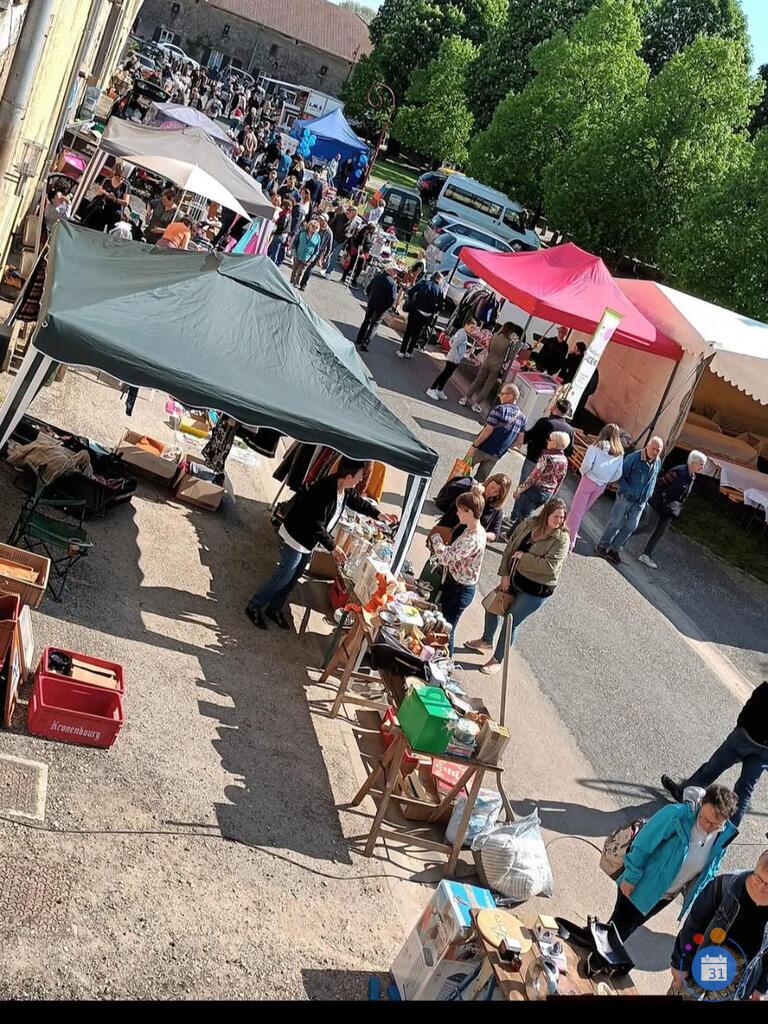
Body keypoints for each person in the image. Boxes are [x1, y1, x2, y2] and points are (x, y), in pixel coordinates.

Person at [245, 457, 381, 630]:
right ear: (348, 476)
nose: (361, 479)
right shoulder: (324, 490)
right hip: (297, 535)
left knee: (294, 577)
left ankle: (274, 608)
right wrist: (333, 547)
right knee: (284, 575)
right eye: (359, 476)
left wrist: (378, 515)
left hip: (308, 541)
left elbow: (357, 502)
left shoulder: (344, 490)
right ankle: (254, 606)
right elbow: (316, 524)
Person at [606, 784, 738, 944]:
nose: (706, 826)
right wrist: (631, 877)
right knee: (616, 932)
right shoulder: (676, 815)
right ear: (702, 804)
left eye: (714, 824)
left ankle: (595, 956)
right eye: (704, 817)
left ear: (724, 821)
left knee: (624, 931)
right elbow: (643, 844)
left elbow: (709, 870)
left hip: (663, 896)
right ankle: (595, 961)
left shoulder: (721, 838)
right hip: (640, 885)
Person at [467, 497, 569, 674]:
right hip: (514, 578)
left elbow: (551, 567)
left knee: (510, 621)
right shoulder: (530, 524)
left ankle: (497, 660)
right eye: (556, 516)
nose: (559, 521)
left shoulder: (561, 539)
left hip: (535, 591)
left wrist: (524, 557)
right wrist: (505, 574)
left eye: (562, 517)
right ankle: (486, 640)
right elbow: (511, 547)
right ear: (546, 514)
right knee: (492, 606)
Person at [662, 681, 768, 828]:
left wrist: (741, 723)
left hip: (746, 736)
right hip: (765, 750)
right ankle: (727, 832)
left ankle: (685, 795)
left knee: (714, 767)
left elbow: (756, 700)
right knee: (745, 790)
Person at [670, 850, 768, 1001]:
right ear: (755, 868)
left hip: (739, 973)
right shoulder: (725, 885)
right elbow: (694, 924)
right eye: (758, 879)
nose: (761, 887)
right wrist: (679, 963)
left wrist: (761, 988)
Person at [428, 491, 487, 655]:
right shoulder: (472, 530)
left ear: (468, 511)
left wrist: (436, 538)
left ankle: (446, 663)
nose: (457, 513)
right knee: (444, 626)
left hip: (459, 590)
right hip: (457, 585)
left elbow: (447, 557)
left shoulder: (472, 538)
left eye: (460, 510)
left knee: (447, 630)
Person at [596, 436, 664, 566]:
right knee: (615, 523)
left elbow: (654, 478)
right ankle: (603, 545)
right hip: (625, 498)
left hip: (640, 502)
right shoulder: (634, 457)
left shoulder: (658, 461)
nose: (655, 452)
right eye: (653, 448)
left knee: (631, 526)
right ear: (647, 446)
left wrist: (649, 494)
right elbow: (621, 475)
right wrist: (627, 491)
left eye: (658, 450)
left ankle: (615, 549)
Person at [637, 450, 707, 569]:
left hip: (670, 510)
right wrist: (663, 499)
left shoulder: (692, 477)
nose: (702, 467)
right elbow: (660, 483)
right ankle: (623, 535)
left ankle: (646, 555)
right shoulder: (678, 471)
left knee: (659, 532)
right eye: (700, 464)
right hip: (659, 505)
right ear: (693, 462)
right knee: (647, 526)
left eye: (703, 464)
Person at [566, 423, 624, 550]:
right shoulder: (619, 453)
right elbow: (618, 473)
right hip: (601, 485)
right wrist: (607, 479)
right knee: (582, 510)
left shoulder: (596, 446)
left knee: (577, 510)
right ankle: (565, 527)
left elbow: (587, 464)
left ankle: (570, 541)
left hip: (589, 479)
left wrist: (583, 472)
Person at [466, 383, 526, 483]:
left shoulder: (500, 409)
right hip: (496, 455)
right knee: (479, 481)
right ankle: (471, 497)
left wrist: (474, 446)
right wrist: (504, 446)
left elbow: (488, 430)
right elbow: (520, 441)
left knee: (463, 470)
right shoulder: (522, 417)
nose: (499, 396)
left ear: (510, 396)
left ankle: (452, 495)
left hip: (482, 448)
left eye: (502, 393)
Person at [509, 430, 570, 524]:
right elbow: (560, 479)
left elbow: (534, 475)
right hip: (547, 493)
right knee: (526, 516)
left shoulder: (547, 457)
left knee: (523, 516)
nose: (547, 441)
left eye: (550, 440)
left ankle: (517, 535)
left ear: (556, 443)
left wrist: (519, 490)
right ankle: (511, 534)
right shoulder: (564, 460)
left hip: (536, 491)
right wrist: (551, 497)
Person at [433, 473, 511, 544]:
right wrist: (471, 488)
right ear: (489, 482)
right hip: (447, 532)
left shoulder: (496, 509)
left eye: (497, 492)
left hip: (466, 545)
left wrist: (480, 533)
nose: (492, 491)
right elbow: (452, 488)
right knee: (434, 558)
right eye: (492, 487)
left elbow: (495, 534)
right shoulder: (472, 487)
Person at [461, 323, 518, 413]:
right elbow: (510, 357)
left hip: (488, 360)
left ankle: (465, 398)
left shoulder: (495, 335)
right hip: (497, 365)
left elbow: (489, 348)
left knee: (477, 380)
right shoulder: (508, 343)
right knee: (487, 386)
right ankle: (476, 405)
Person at [520, 399, 574, 483]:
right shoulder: (569, 430)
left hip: (534, 460)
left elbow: (528, 436)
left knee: (524, 486)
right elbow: (569, 451)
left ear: (554, 408)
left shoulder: (544, 422)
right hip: (551, 467)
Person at [427, 318, 476, 402]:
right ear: (466, 325)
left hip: (454, 358)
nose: (472, 330)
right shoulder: (462, 334)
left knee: (447, 374)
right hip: (453, 359)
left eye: (474, 328)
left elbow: (451, 341)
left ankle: (439, 389)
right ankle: (432, 389)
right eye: (471, 327)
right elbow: (454, 345)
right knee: (444, 374)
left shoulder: (462, 333)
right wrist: (456, 357)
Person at [398, 272, 444, 358]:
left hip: (416, 310)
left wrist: (413, 299)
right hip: (427, 315)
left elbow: (411, 292)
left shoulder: (423, 283)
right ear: (440, 281)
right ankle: (409, 352)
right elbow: (440, 306)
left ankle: (402, 351)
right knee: (417, 333)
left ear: (432, 277)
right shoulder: (440, 290)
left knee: (409, 331)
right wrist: (432, 311)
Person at [355, 265, 398, 351]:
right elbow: (392, 299)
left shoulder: (377, 277)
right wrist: (387, 307)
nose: (396, 273)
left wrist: (371, 298)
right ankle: (365, 344)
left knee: (366, 321)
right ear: (391, 271)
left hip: (372, 303)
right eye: (395, 271)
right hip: (381, 308)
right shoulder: (392, 283)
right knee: (374, 325)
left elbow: (368, 289)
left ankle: (358, 339)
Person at [82, 161, 130, 233]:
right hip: (103, 209)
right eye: (115, 174)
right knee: (97, 229)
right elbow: (98, 192)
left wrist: (115, 199)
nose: (117, 177)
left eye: (119, 176)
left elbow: (126, 202)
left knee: (111, 232)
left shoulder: (125, 185)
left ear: (123, 175)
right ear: (113, 172)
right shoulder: (106, 180)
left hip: (115, 212)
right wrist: (104, 193)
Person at [299, 214, 333, 288]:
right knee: (300, 264)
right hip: (308, 248)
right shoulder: (315, 226)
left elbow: (329, 246)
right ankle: (295, 280)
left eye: (321, 220)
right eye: (319, 219)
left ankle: (303, 284)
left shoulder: (329, 232)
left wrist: (325, 257)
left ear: (325, 221)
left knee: (310, 267)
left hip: (317, 252)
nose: (319, 221)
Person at [290, 219, 321, 288]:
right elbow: (295, 242)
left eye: (316, 227)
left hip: (307, 258)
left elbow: (317, 250)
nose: (314, 228)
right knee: (294, 270)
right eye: (313, 226)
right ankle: (291, 283)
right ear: (309, 225)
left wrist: (311, 259)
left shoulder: (317, 237)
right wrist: (294, 252)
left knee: (300, 272)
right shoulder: (302, 232)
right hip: (298, 254)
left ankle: (296, 284)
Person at [267, 198, 293, 265]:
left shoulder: (283, 215)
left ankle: (272, 264)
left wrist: (274, 232)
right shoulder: (289, 215)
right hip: (284, 235)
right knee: (273, 249)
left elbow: (282, 226)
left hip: (279, 235)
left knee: (274, 251)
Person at [328, 202, 350, 275]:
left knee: (335, 254)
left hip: (342, 240)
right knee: (329, 252)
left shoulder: (352, 221)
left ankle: (329, 271)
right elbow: (332, 224)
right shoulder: (339, 216)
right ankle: (325, 267)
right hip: (335, 237)